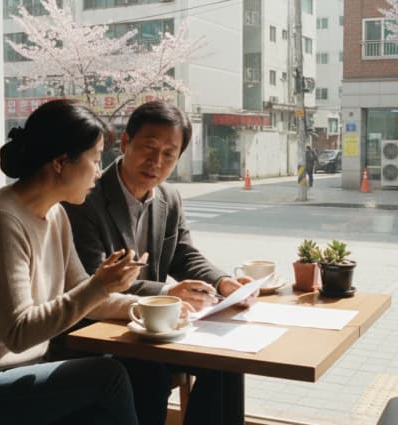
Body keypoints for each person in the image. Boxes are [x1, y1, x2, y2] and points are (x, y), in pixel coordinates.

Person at [0, 100, 144, 425]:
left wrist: (149, 307)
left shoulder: (55, 214)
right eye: (95, 159)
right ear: (60, 162)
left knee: (142, 373)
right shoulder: (0, 222)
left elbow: (85, 296)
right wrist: (98, 286)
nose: (99, 172)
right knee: (107, 377)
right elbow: (20, 333)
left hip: (19, 373)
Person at [64, 100, 257, 425]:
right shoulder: (86, 197)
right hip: (103, 329)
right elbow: (94, 279)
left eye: (169, 153)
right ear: (125, 143)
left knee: (226, 364)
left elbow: (183, 253)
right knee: (148, 373)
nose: (156, 161)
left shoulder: (169, 197)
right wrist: (168, 293)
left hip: (155, 327)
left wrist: (224, 282)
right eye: (148, 147)